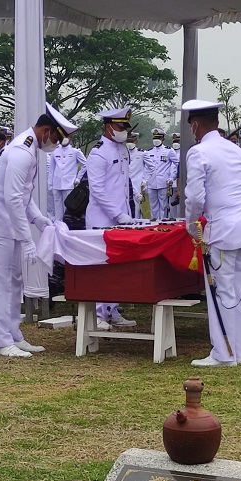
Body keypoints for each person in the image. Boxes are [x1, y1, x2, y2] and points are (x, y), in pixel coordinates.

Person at [0, 103, 77, 358]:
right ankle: (0, 341)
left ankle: (13, 334)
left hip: (7, 224)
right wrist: (27, 238)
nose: (55, 144)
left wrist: (38, 219)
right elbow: (12, 199)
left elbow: (24, 196)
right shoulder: (22, 152)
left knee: (14, 281)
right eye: (56, 138)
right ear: (45, 131)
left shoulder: (30, 149)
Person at [182, 99, 241, 367]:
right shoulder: (234, 149)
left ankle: (223, 354)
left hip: (224, 229)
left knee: (222, 291)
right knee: (237, 293)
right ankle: (237, 352)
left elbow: (195, 197)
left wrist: (191, 224)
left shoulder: (199, 152)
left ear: (195, 125)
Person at [86, 108, 138, 330]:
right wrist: (117, 214)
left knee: (117, 266)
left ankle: (112, 310)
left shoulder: (122, 149)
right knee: (100, 266)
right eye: (119, 127)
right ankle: (98, 313)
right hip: (102, 218)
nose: (123, 131)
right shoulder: (98, 153)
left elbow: (123, 185)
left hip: (121, 216)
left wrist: (126, 214)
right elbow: (97, 190)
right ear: (108, 127)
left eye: (125, 127)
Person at [47, 133, 87, 221]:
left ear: (70, 138)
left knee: (67, 208)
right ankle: (59, 225)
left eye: (66, 136)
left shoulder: (75, 151)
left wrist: (78, 178)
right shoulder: (55, 151)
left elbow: (85, 164)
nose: (63, 138)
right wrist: (50, 183)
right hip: (56, 183)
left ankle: (67, 225)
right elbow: (51, 169)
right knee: (57, 208)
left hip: (69, 183)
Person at [143, 127, 178, 219]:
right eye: (154, 138)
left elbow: (177, 164)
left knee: (164, 207)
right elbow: (146, 168)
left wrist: (172, 177)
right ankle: (154, 223)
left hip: (164, 183)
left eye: (158, 138)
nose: (156, 140)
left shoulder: (169, 151)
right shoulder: (148, 152)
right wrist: (145, 180)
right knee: (153, 207)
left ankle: (163, 223)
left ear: (163, 139)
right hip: (151, 183)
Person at [125, 130, 144, 219]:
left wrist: (145, 180)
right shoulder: (123, 153)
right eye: (128, 141)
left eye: (131, 141)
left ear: (136, 141)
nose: (130, 143)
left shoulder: (141, 153)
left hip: (137, 184)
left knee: (137, 208)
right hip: (125, 184)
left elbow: (151, 167)